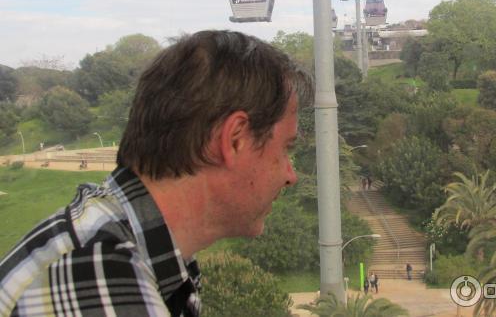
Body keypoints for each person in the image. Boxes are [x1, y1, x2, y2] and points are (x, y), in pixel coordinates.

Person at [0, 30, 313, 316]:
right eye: (286, 148)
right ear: (235, 139)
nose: (290, 175)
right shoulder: (101, 279)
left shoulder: (118, 242)